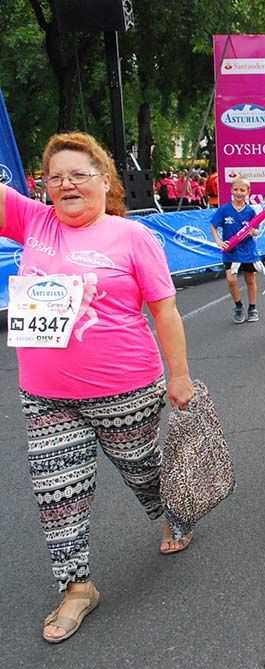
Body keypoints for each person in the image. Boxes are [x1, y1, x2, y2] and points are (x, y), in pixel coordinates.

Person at [0, 132, 196, 643]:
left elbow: (165, 310)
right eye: (54, 177)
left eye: (78, 175)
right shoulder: (33, 222)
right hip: (45, 395)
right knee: (56, 493)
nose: (65, 184)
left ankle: (171, 511)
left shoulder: (132, 238)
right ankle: (77, 587)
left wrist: (179, 375)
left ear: (104, 181)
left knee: (143, 471)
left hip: (125, 389)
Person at [210, 177, 262, 323]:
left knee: (250, 279)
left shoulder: (250, 211)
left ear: (248, 192)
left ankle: (252, 308)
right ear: (231, 190)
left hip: (247, 250)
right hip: (231, 251)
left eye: (242, 190)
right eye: (236, 189)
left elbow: (256, 229)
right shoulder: (224, 209)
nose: (238, 193)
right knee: (231, 279)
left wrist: (254, 232)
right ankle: (238, 306)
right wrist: (219, 241)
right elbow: (213, 226)